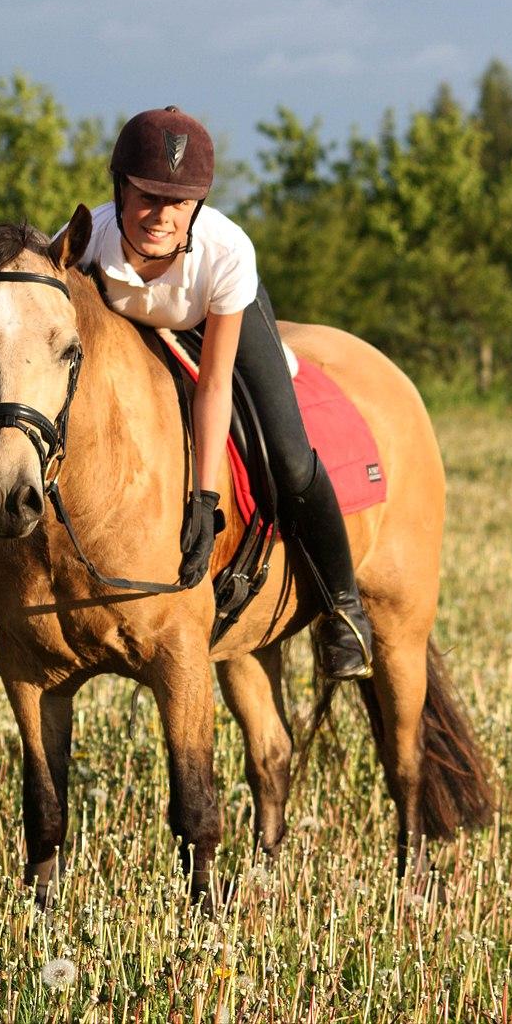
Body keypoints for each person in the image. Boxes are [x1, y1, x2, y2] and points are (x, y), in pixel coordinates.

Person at [69, 106, 372, 681]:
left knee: (287, 451)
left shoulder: (227, 252)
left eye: (178, 202)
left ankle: (344, 609)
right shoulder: (84, 242)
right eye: (146, 197)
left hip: (216, 318)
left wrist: (204, 499)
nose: (160, 216)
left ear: (199, 205)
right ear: (119, 189)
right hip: (134, 336)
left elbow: (213, 388)